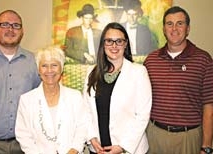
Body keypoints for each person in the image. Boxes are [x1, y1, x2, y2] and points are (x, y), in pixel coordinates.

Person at [144, 6, 213, 154]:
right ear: (163, 29)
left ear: (188, 29)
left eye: (180, 23)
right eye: (169, 24)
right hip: (155, 136)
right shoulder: (151, 61)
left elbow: (209, 107)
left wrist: (206, 146)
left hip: (189, 138)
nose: (174, 28)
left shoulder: (204, 60)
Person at [0, 10, 41, 154]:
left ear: (22, 31)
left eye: (16, 25)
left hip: (23, 146)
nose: (10, 29)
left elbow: (41, 102)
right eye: (4, 25)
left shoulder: (34, 62)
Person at [83, 22, 152, 154]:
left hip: (128, 149)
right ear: (103, 44)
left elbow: (142, 115)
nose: (114, 46)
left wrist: (122, 146)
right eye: (109, 41)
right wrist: (91, 137)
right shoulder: (91, 72)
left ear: (125, 44)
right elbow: (85, 110)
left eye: (119, 41)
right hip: (98, 148)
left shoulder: (139, 72)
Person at [15, 46, 87, 154]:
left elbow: (82, 127)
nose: (49, 70)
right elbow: (23, 135)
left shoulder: (75, 97)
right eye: (44, 66)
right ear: (38, 70)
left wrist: (74, 150)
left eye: (54, 65)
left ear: (61, 68)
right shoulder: (26, 100)